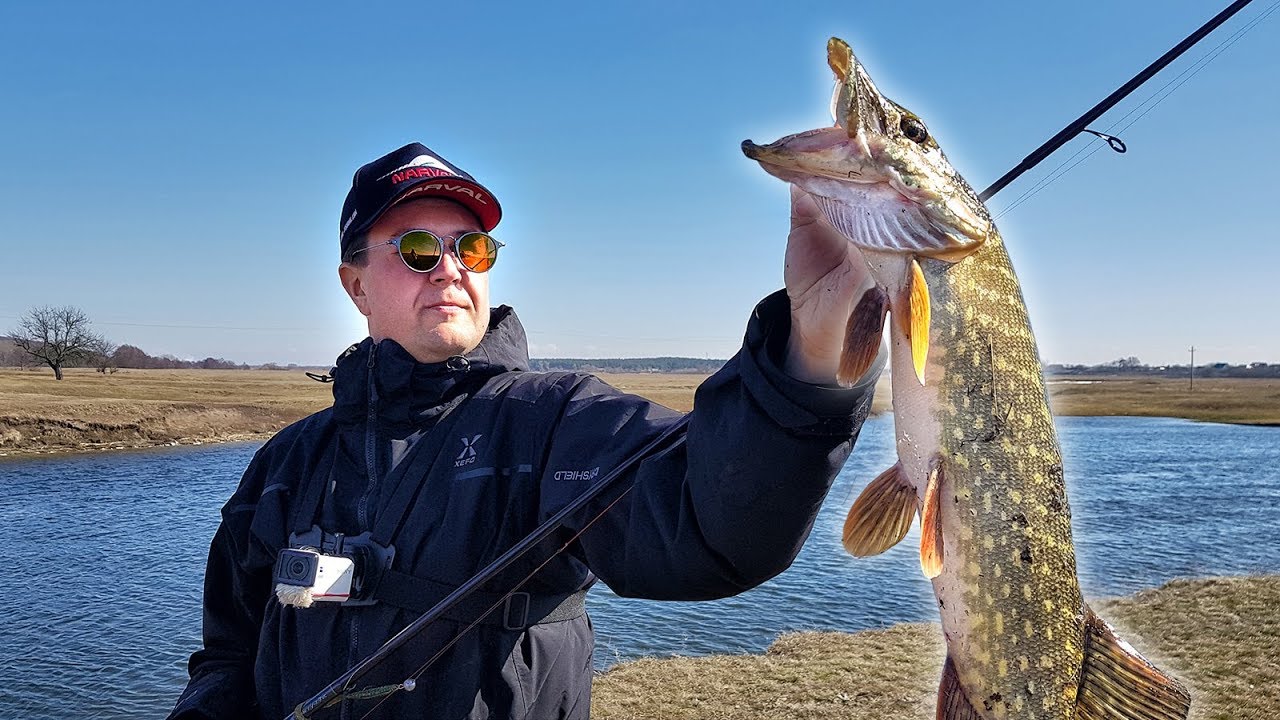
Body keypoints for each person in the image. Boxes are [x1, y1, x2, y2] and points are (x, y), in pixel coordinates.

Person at [168, 142, 884, 720]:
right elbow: (229, 649)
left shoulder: (555, 420)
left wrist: (813, 355)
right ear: (355, 285)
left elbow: (710, 526)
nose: (450, 269)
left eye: (472, 249)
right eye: (418, 249)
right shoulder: (288, 462)